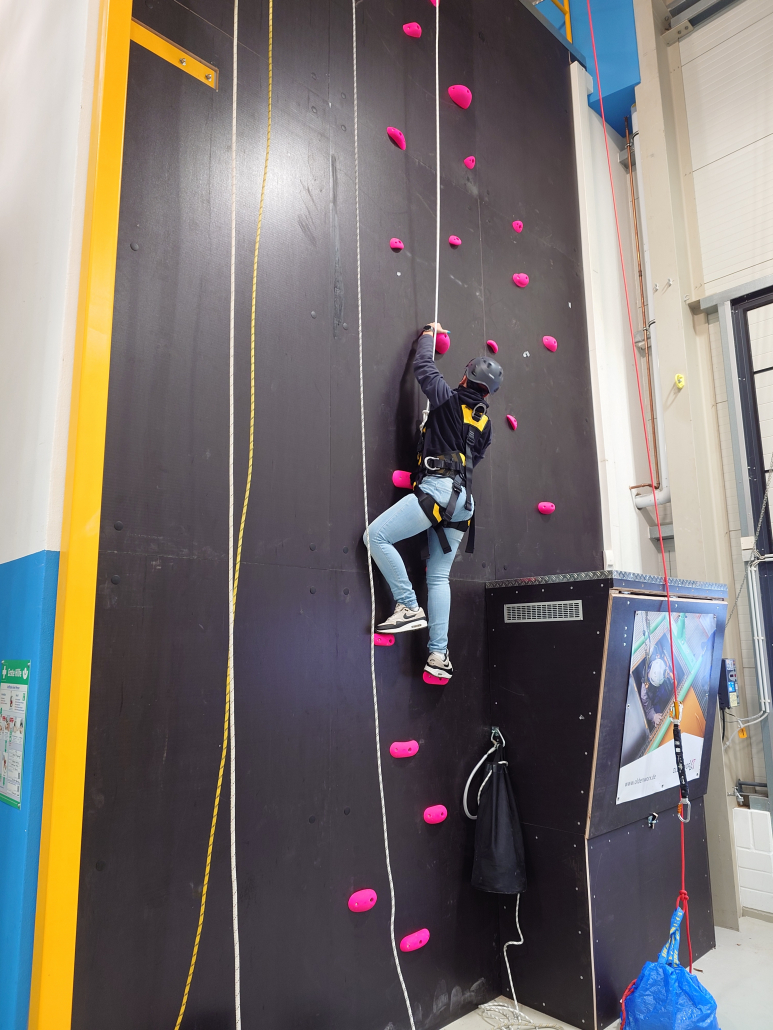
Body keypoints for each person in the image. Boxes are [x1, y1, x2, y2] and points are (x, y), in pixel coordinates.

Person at [364, 322, 503, 682]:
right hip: (464, 503)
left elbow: (424, 367)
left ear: (465, 377)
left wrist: (428, 335)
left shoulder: (448, 399)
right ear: (489, 393)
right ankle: (438, 655)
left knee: (376, 536)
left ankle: (408, 605)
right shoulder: (486, 425)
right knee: (439, 576)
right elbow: (471, 459)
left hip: (438, 490)